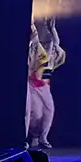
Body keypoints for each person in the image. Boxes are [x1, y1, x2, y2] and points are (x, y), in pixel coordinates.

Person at [25, 13, 65, 150]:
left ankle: (42, 137)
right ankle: (28, 138)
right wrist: (31, 23)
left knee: (49, 110)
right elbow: (36, 39)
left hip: (44, 87)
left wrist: (52, 28)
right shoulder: (39, 53)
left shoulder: (53, 55)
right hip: (32, 86)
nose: (51, 47)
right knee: (33, 112)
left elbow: (55, 42)